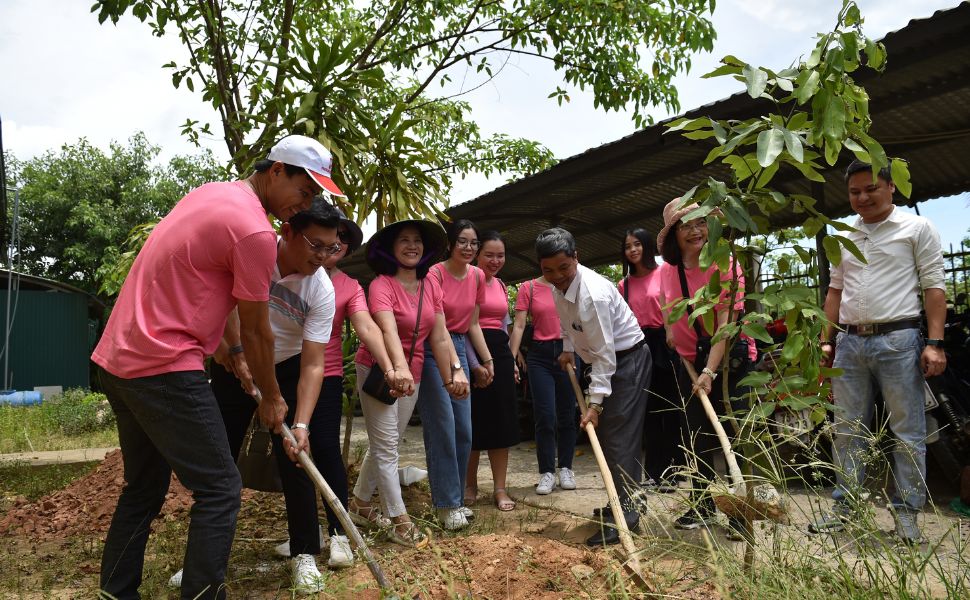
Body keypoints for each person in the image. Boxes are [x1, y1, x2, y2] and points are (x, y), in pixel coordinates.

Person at [91, 134, 336, 600]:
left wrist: (234, 354)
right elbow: (257, 327)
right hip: (164, 364)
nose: (305, 204)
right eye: (305, 192)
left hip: (119, 359)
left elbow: (200, 290)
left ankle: (116, 591)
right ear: (277, 170)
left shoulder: (211, 194)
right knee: (222, 488)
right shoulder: (255, 232)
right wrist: (274, 398)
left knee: (143, 486)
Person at [173, 199, 350, 593]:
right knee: (219, 463)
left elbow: (314, 364)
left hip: (285, 367)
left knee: (296, 460)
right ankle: (202, 564)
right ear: (287, 232)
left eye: (331, 248)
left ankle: (304, 554)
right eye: (315, 245)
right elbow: (220, 309)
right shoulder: (255, 254)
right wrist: (234, 354)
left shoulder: (321, 289)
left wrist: (301, 422)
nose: (323, 257)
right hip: (231, 362)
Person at [809, 160, 946, 543]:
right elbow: (834, 291)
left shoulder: (916, 228)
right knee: (847, 430)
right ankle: (846, 508)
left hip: (899, 340)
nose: (863, 197)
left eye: (871, 188)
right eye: (854, 192)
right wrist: (827, 339)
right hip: (849, 344)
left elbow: (934, 287)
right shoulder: (842, 233)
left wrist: (934, 343)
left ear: (890, 188)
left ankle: (906, 515)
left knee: (907, 431)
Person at [352, 220, 470, 547]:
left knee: (387, 440)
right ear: (390, 248)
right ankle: (398, 519)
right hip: (380, 370)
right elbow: (388, 332)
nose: (411, 245)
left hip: (412, 373)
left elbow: (441, 335)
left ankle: (361, 504)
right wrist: (398, 371)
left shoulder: (430, 285)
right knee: (387, 446)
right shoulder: (381, 285)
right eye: (403, 240)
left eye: (416, 240)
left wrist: (456, 371)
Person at [535, 227, 651, 546]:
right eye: (548, 271)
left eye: (564, 268)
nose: (557, 276)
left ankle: (626, 517)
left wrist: (595, 404)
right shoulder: (559, 286)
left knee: (618, 439)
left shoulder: (593, 294)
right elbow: (566, 322)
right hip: (602, 360)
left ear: (577, 258)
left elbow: (605, 356)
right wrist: (568, 349)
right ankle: (624, 502)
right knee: (610, 438)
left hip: (627, 362)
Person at [656, 197, 757, 537]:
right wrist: (672, 331)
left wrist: (710, 372)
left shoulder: (725, 262)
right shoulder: (667, 270)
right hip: (689, 360)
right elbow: (666, 306)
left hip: (729, 360)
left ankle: (741, 512)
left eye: (701, 223)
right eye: (687, 226)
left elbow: (728, 322)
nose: (696, 231)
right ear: (674, 235)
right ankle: (703, 503)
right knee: (696, 435)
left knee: (733, 434)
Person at [418, 219, 494, 530]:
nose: (468, 248)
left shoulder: (477, 275)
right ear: (450, 244)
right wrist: (458, 367)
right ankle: (446, 504)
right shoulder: (435, 273)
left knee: (464, 429)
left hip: (460, 345)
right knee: (443, 427)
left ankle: (456, 499)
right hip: (433, 347)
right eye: (462, 241)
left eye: (473, 243)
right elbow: (437, 324)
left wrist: (486, 361)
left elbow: (473, 324)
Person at [618, 228, 682, 493]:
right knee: (649, 411)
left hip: (666, 342)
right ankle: (654, 473)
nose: (632, 250)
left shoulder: (665, 271)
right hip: (639, 344)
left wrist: (673, 334)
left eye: (637, 245)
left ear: (646, 246)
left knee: (672, 408)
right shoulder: (625, 284)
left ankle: (675, 472)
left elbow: (676, 307)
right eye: (627, 246)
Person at [509, 275, 580, 497]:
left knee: (568, 414)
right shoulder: (528, 287)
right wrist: (511, 359)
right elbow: (519, 325)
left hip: (568, 350)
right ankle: (547, 472)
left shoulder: (573, 283)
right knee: (545, 415)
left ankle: (566, 468)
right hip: (540, 355)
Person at [465, 231, 520, 511]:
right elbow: (465, 324)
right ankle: (470, 485)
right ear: (477, 254)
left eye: (500, 255)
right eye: (489, 254)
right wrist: (475, 364)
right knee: (472, 424)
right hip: (471, 350)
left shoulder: (500, 285)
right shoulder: (467, 279)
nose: (495, 260)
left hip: (499, 352)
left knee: (501, 424)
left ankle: (500, 488)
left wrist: (509, 363)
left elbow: (502, 325)